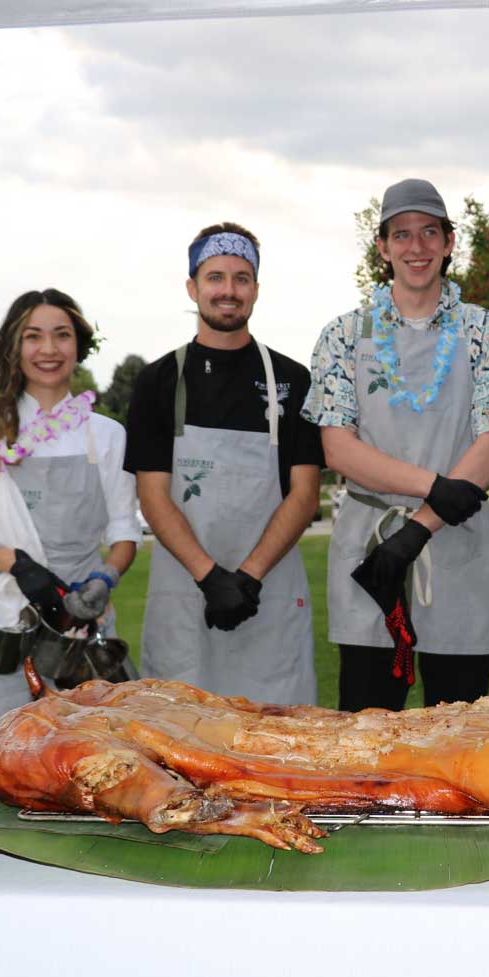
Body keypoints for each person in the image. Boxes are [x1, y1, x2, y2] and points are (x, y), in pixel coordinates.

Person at [302, 178, 489, 711]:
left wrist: (419, 528)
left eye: (430, 232)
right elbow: (338, 448)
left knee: (457, 727)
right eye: (401, 235)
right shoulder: (342, 336)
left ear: (450, 242)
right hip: (370, 550)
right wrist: (430, 488)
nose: (417, 247)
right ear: (382, 247)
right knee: (369, 728)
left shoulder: (487, 333)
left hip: (454, 541)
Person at [125, 222, 321, 704]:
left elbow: (305, 492)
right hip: (185, 594)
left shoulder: (293, 380)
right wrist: (210, 577)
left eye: (241, 278)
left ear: (256, 288)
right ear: (193, 287)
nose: (228, 291)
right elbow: (152, 495)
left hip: (269, 596)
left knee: (278, 747)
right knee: (178, 743)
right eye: (215, 277)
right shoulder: (159, 381)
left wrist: (249, 577)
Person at [0, 289, 141, 721]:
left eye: (61, 335)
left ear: (78, 346)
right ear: (14, 346)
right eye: (33, 336)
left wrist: (105, 577)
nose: (48, 349)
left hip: (83, 630)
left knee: (89, 763)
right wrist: (13, 561)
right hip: (4, 632)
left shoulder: (106, 436)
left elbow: (124, 532)